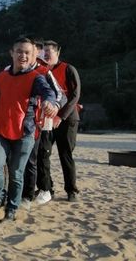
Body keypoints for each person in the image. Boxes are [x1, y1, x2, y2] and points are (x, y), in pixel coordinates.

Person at [0, 37, 58, 222]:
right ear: (12, 53)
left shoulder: (36, 77)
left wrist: (50, 102)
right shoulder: (2, 77)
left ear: (33, 56)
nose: (23, 56)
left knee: (16, 173)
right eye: (19, 52)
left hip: (25, 132)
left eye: (27, 53)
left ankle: (12, 207)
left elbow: (49, 92)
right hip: (0, 129)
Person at [20, 41, 66, 211]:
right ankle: (27, 191)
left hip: (43, 122)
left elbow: (61, 95)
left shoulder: (44, 71)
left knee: (41, 157)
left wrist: (54, 107)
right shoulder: (16, 70)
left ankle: (45, 189)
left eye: (32, 51)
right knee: (26, 158)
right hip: (23, 122)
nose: (26, 55)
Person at [36, 40, 82, 203]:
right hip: (46, 119)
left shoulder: (68, 69)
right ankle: (46, 188)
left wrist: (60, 116)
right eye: (43, 51)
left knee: (65, 154)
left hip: (67, 118)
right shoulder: (40, 70)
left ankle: (71, 190)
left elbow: (75, 96)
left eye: (49, 51)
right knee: (42, 153)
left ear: (57, 52)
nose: (46, 54)